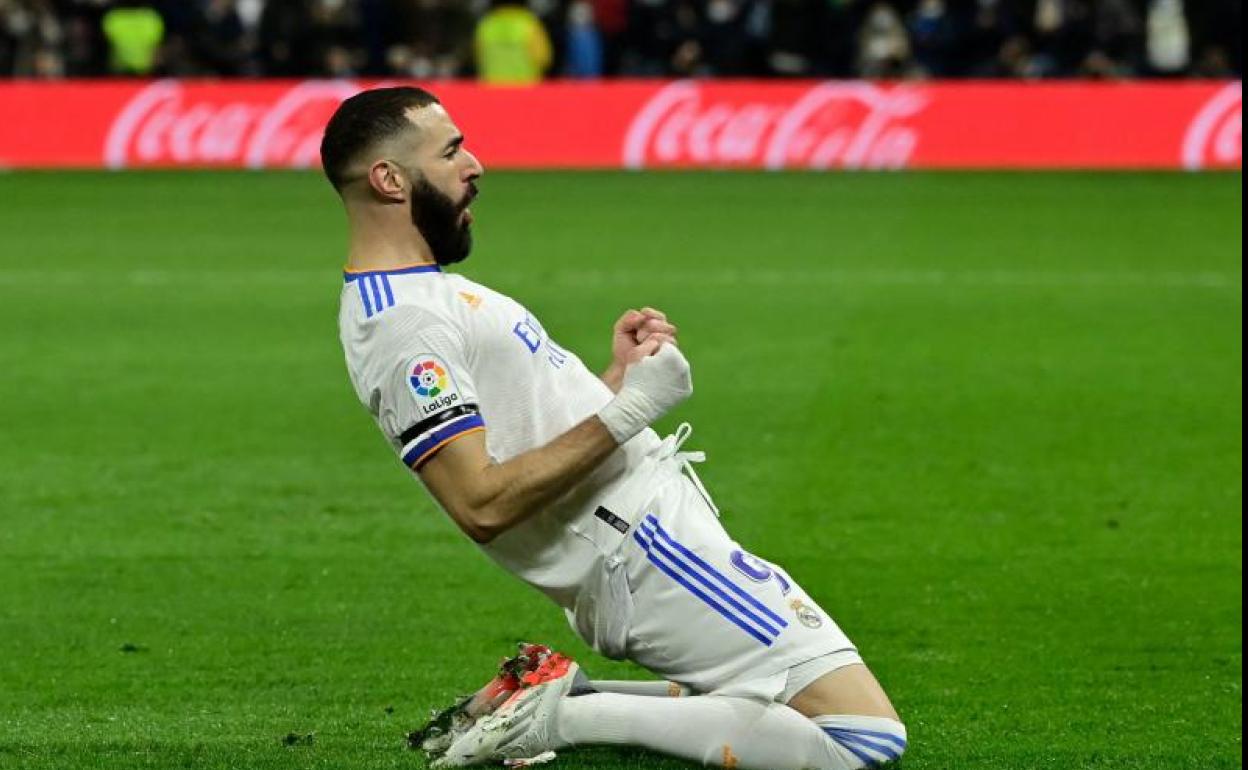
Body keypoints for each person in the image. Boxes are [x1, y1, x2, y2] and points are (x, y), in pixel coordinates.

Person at [320, 86, 907, 769]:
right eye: (451, 152)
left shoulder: (422, 292)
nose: (474, 164)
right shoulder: (405, 326)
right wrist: (632, 410)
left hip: (640, 540)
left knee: (775, 698)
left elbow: (526, 435)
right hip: (644, 553)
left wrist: (614, 382)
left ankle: (561, 695)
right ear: (390, 180)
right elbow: (480, 502)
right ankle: (561, 718)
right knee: (863, 737)